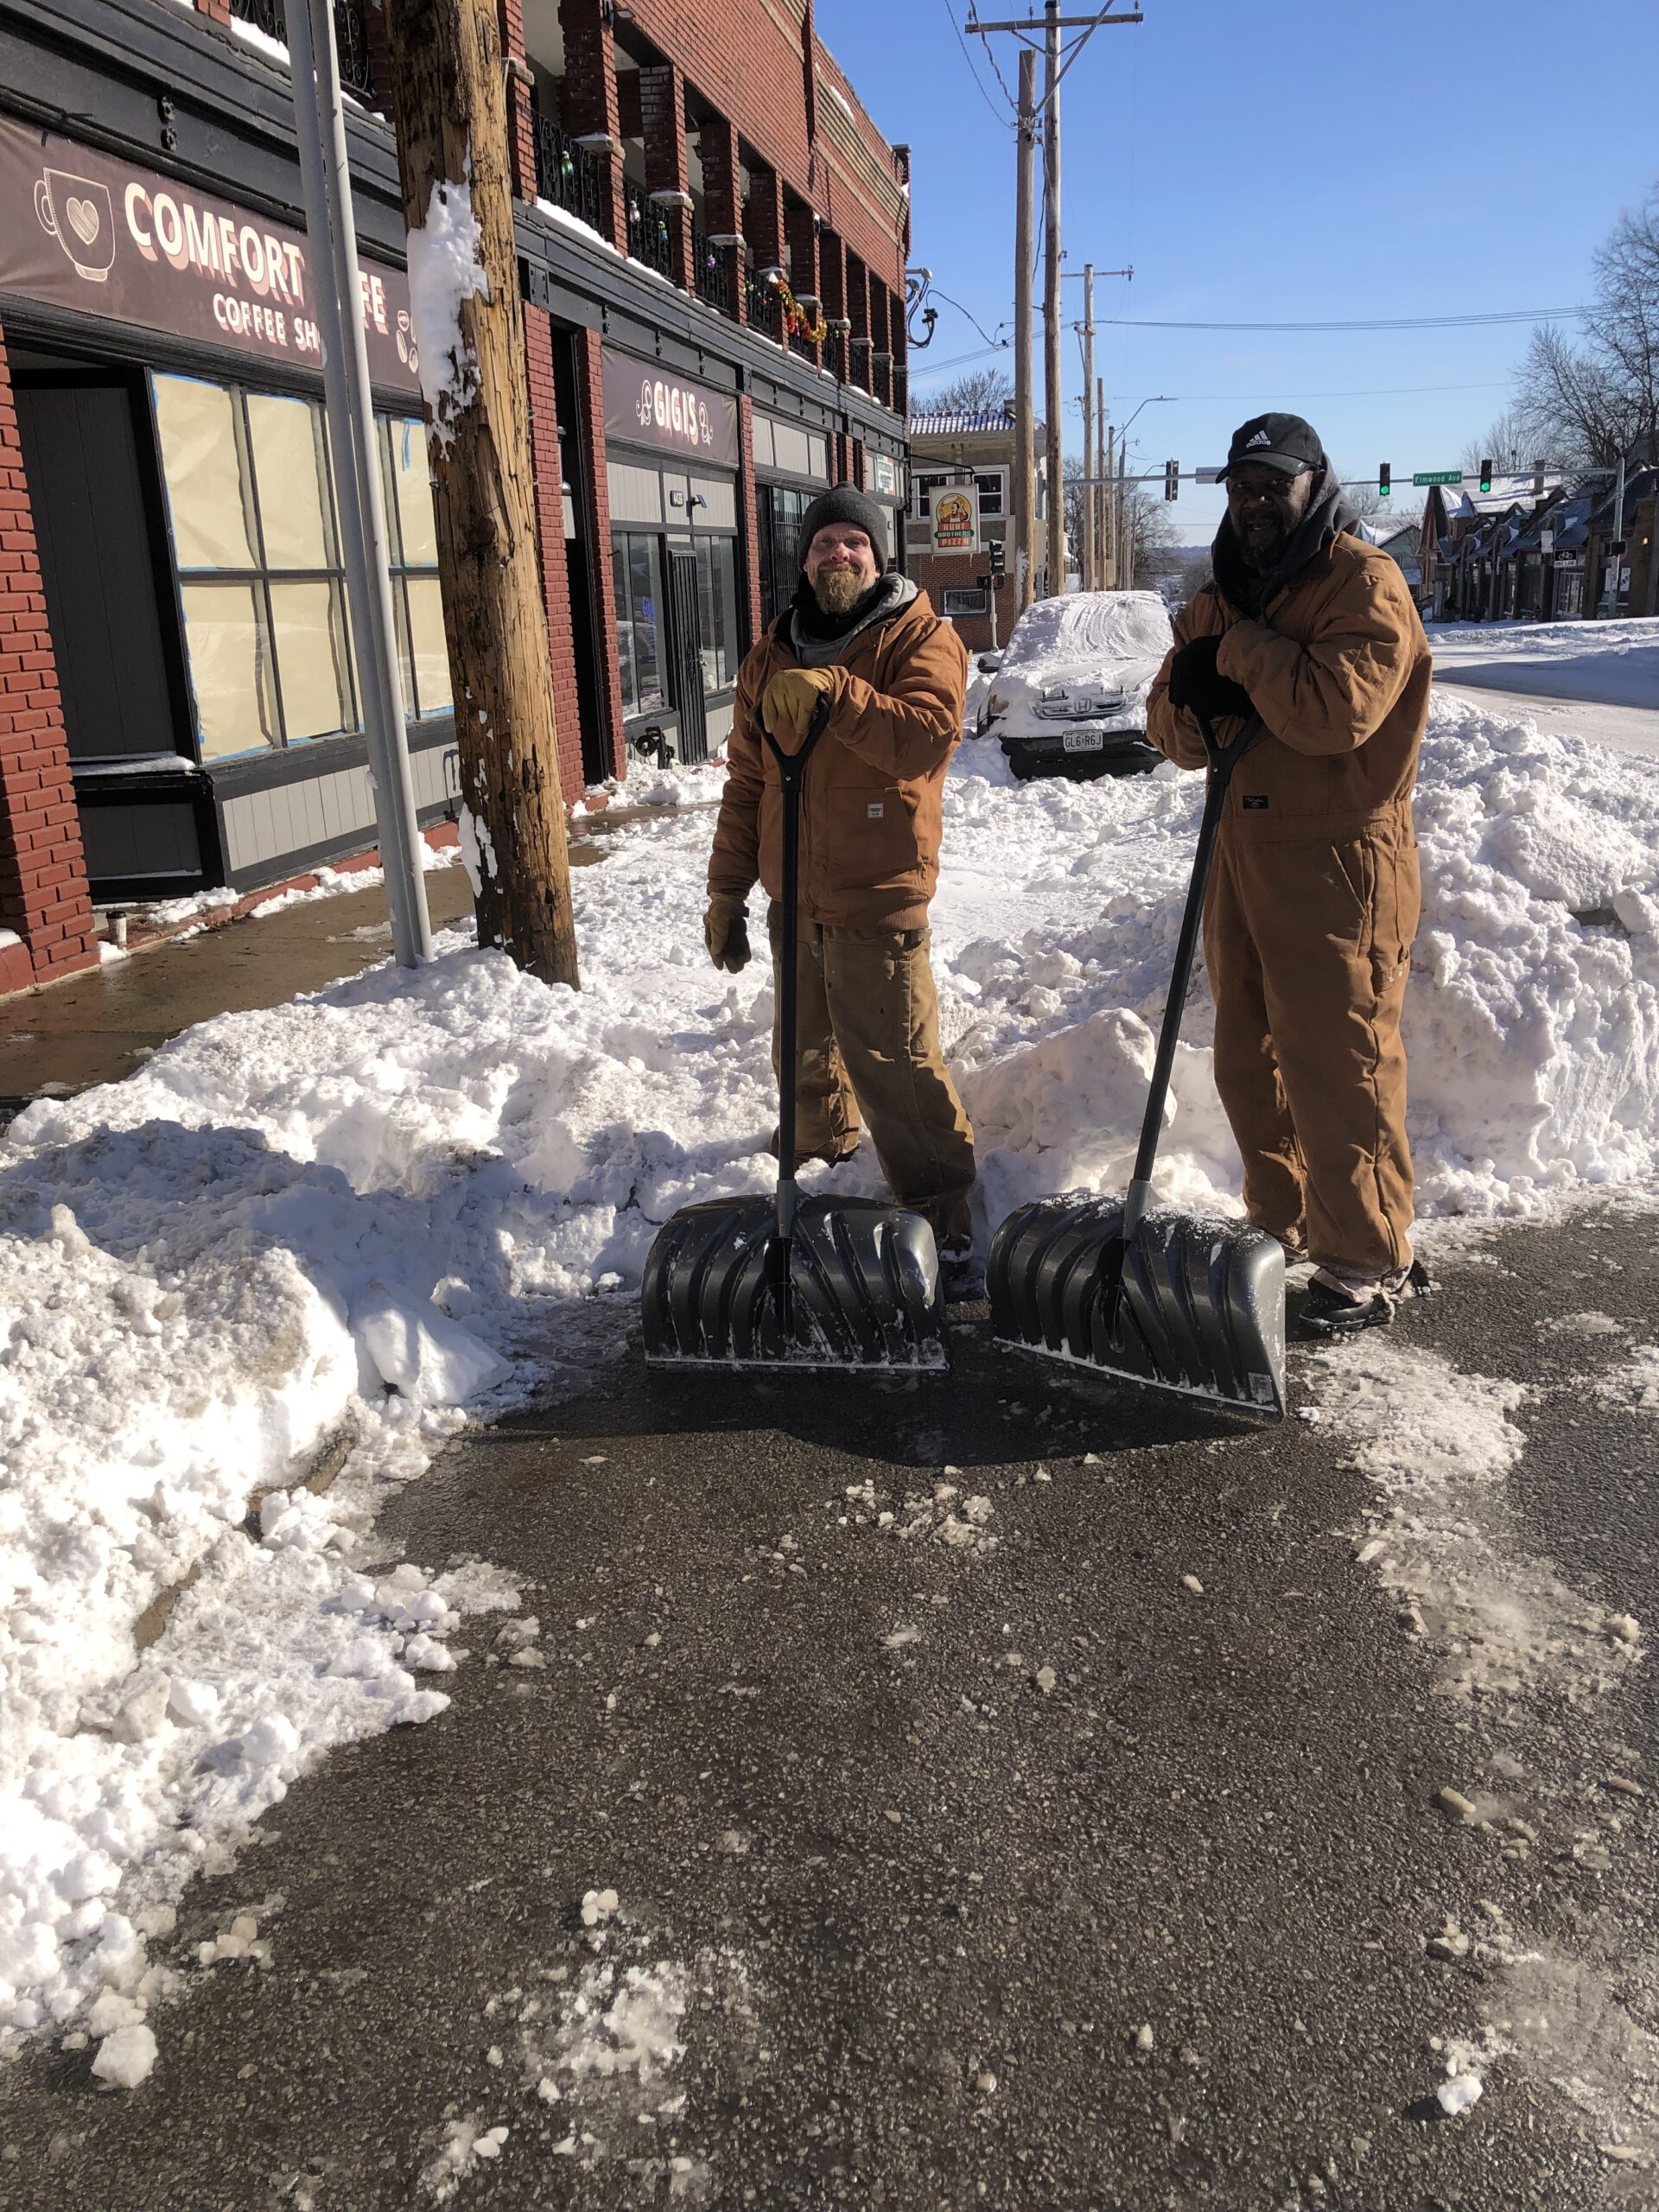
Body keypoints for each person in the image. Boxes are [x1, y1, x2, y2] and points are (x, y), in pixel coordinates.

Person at [1146, 413, 1433, 1337]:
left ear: (1315, 485)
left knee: (1337, 1062)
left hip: (1341, 860)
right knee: (1246, 1061)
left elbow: (1333, 712)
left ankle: (1370, 1252)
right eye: (1241, 486)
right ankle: (1282, 1223)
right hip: (1244, 853)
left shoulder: (1363, 583)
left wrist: (1235, 659)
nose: (1256, 502)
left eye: (1275, 484)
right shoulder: (1221, 588)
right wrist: (1192, 701)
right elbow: (1168, 723)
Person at [704, 485, 979, 1288]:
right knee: (805, 1046)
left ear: (877, 557)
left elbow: (925, 736)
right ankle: (821, 1158)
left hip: (877, 885)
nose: (839, 554)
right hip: (795, 891)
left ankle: (945, 1219)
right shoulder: (770, 654)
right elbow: (747, 786)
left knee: (894, 1057)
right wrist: (729, 892)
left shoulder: (918, 636)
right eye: (824, 543)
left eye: (854, 543)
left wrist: (838, 693)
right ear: (804, 559)